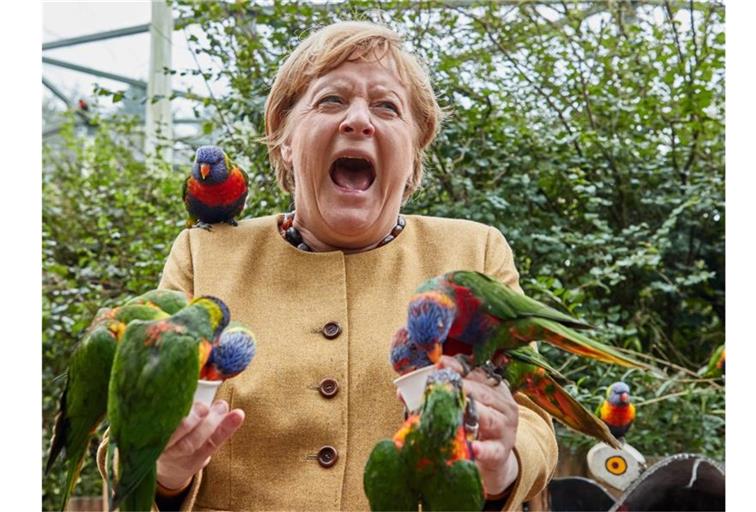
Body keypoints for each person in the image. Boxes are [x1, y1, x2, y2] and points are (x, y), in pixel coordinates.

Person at [97, 20, 557, 511]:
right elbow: (127, 431)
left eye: (386, 107)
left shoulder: (476, 254)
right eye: (331, 101)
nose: (358, 121)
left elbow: (533, 422)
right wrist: (165, 471)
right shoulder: (204, 254)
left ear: (413, 150)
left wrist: (501, 464)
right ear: (286, 142)